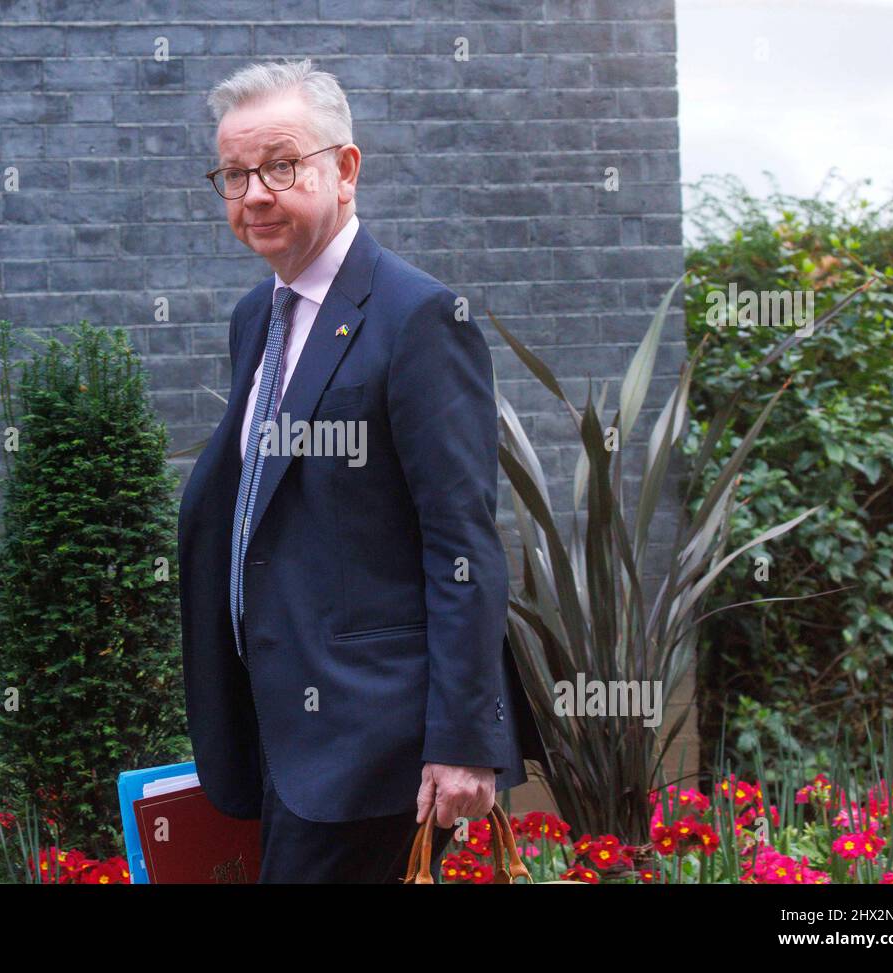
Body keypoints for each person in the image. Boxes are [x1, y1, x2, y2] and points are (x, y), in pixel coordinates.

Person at [176, 58, 550, 884]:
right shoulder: (257, 318)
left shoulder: (417, 317)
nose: (255, 194)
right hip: (280, 731)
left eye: (281, 165)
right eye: (234, 175)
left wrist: (463, 740)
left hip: (376, 751)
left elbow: (462, 540)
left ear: (345, 169)